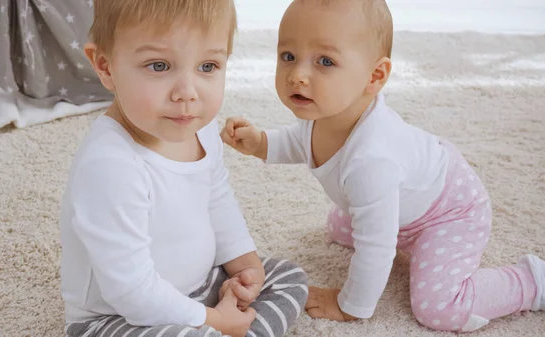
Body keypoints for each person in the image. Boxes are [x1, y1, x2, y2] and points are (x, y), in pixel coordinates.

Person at [220, 0, 544, 332]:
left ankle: (530, 282)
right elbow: (300, 141)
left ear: (374, 76)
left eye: (325, 61)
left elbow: (376, 248)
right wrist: (261, 143)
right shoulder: (326, 112)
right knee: (341, 225)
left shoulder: (372, 163)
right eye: (288, 56)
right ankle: (399, 229)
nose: (298, 75)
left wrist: (349, 306)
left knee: (438, 308)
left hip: (451, 212)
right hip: (405, 198)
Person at [58, 1, 308, 336]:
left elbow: (217, 200)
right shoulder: (110, 166)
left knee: (288, 277)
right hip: (116, 316)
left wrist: (245, 265)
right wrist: (214, 321)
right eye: (159, 65)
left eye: (208, 66)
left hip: (200, 286)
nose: (187, 94)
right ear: (106, 67)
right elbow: (131, 290)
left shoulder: (198, 128)